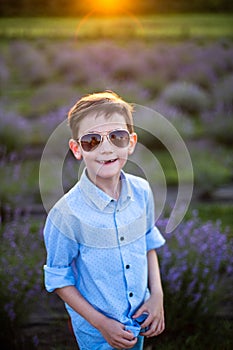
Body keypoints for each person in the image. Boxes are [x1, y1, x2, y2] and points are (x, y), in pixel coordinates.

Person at [43, 91, 165, 350]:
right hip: (98, 335)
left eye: (117, 137)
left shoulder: (142, 191)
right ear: (76, 149)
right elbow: (59, 279)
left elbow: (148, 242)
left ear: (131, 143)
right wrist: (101, 324)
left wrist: (157, 296)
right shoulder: (66, 214)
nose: (106, 148)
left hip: (140, 319)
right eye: (92, 140)